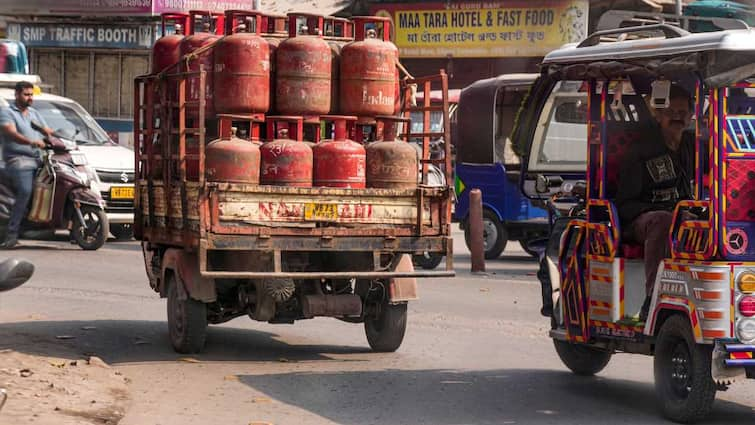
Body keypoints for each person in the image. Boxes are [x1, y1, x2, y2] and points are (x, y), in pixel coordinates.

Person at [615, 84, 695, 321]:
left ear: (691, 116)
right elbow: (625, 204)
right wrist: (666, 212)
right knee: (664, 221)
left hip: (684, 213)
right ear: (659, 115)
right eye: (672, 113)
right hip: (643, 221)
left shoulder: (696, 145)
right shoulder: (641, 150)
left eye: (683, 113)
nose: (678, 118)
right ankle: (654, 297)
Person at [0, 81, 53, 249]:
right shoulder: (7, 113)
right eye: (26, 94)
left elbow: (47, 132)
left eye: (31, 94)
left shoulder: (34, 114)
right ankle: (12, 233)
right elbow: (11, 132)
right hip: (18, 160)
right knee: (25, 190)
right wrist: (32, 142)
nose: (30, 98)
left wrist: (61, 139)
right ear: (17, 95)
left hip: (38, 160)